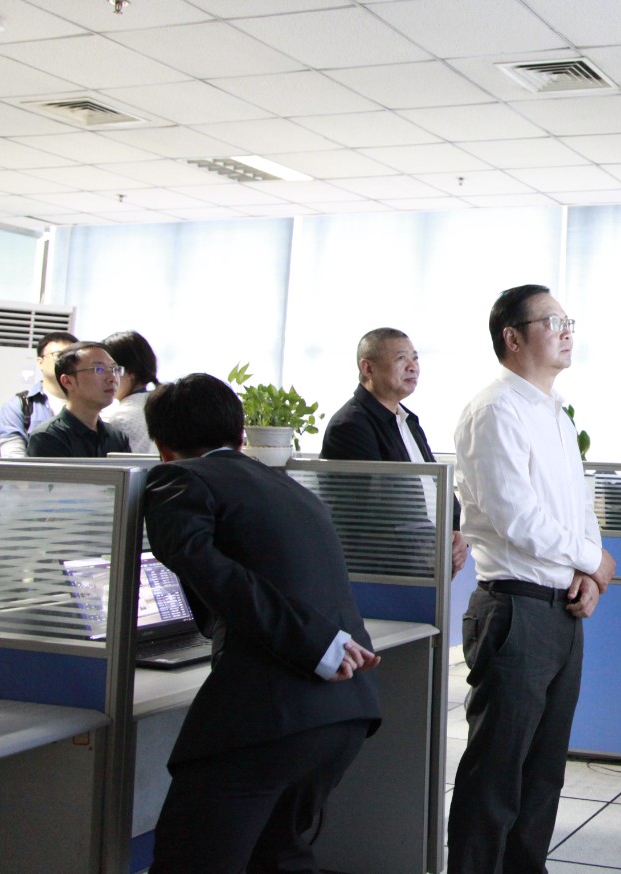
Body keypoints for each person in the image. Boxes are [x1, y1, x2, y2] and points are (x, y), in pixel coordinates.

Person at [141, 373, 381, 874]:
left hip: (274, 713)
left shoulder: (180, 479)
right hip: (344, 710)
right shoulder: (288, 486)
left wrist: (316, 645)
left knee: (192, 861)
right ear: (241, 434)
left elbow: (216, 573)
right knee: (277, 858)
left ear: (162, 449)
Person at [447, 284, 616, 874]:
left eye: (569, 320)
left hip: (560, 611)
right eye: (552, 321)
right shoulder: (495, 410)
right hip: (515, 610)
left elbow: (577, 508)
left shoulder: (556, 413)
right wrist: (593, 560)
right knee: (495, 776)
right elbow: (516, 518)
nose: (567, 331)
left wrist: (590, 571)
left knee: (543, 774)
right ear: (513, 338)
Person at [320, 327, 466, 573]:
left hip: (428, 557)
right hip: (386, 568)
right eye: (401, 359)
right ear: (368, 368)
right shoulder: (350, 426)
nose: (413, 367)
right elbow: (380, 510)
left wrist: (456, 531)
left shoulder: (407, 421)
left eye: (415, 358)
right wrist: (431, 544)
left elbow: (434, 483)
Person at [25, 343, 129, 458]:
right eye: (99, 369)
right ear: (68, 381)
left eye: (114, 369)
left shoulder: (117, 437)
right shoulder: (47, 437)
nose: (112, 378)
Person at [0, 330, 77, 457]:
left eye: (72, 356)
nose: (66, 362)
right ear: (40, 362)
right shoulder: (19, 407)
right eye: (58, 355)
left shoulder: (93, 403)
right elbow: (13, 459)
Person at [101, 329, 160, 453]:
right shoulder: (164, 405)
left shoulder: (117, 418)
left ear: (130, 373)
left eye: (112, 369)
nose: (107, 377)